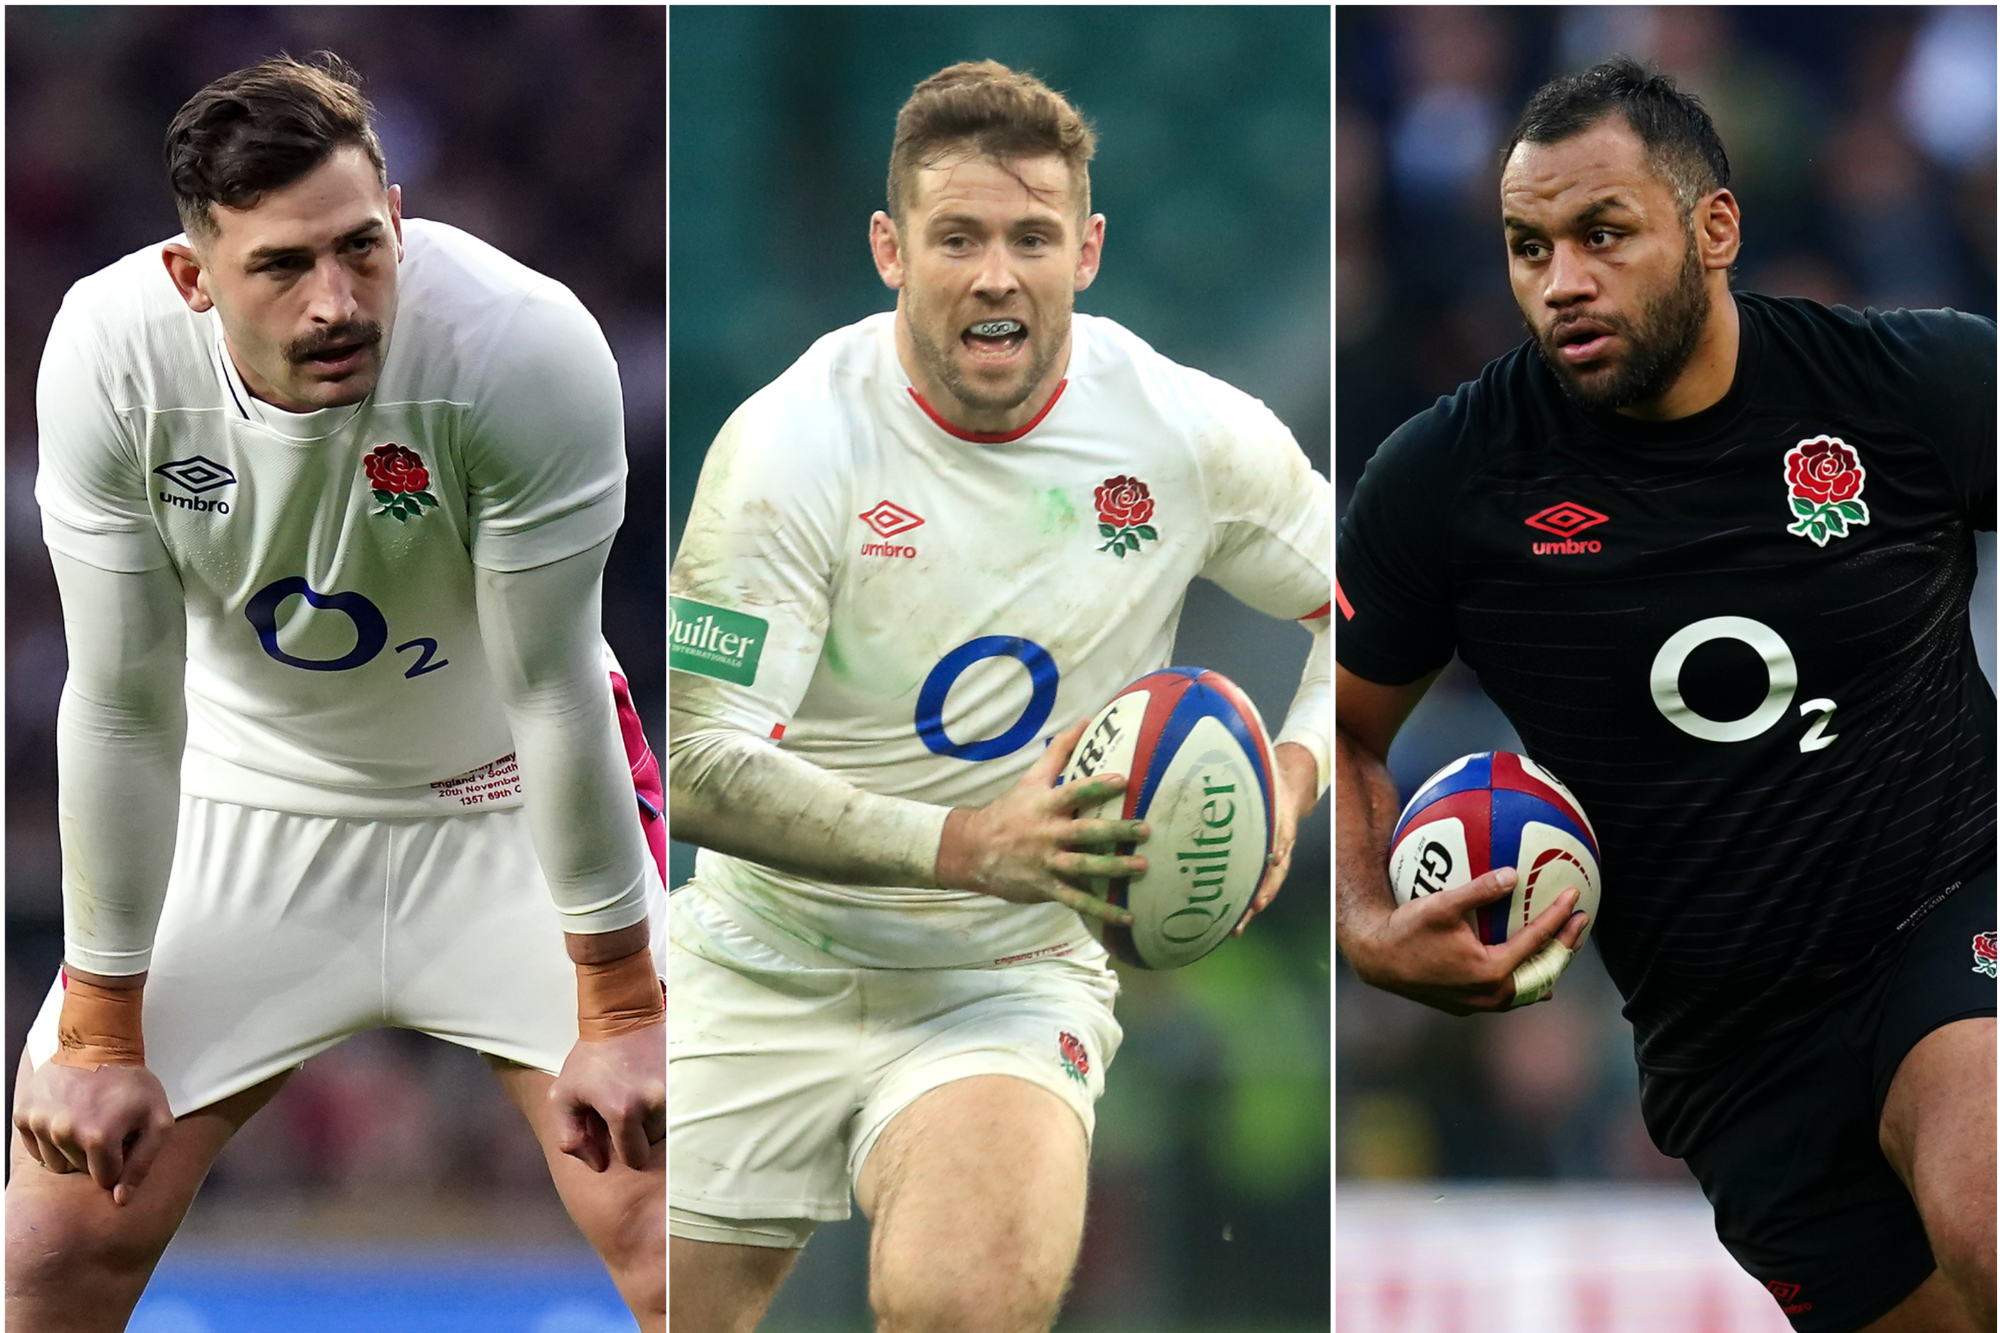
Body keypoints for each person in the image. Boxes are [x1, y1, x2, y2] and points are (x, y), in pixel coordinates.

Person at [4, 54, 667, 1332]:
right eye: (283, 267)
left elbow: (550, 685)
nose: (337, 302)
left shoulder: (522, 346)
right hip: (241, 801)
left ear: (401, 216)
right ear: (194, 280)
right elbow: (126, 705)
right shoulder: (108, 355)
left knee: (674, 1225)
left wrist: (622, 1009)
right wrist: (97, 1038)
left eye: (364, 249)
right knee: (49, 1249)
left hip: (505, 801)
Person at [668, 59, 1330, 1333]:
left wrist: (1294, 774)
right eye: (955, 236)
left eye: (1029, 237)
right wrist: (972, 845)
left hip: (1004, 976)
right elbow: (698, 764)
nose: (993, 274)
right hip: (761, 954)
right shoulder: (788, 446)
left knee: (962, 1307)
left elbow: (1362, 609)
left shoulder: (1180, 432)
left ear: (1084, 250)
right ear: (888, 249)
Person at [1336, 56, 1994, 1333]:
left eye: (1601, 234)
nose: (1559, 281)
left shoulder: (1906, 388)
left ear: (1713, 229)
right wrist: (1366, 919)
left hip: (1944, 909)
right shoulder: (1446, 483)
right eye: (1526, 248)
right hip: (1730, 1052)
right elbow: (1350, 728)